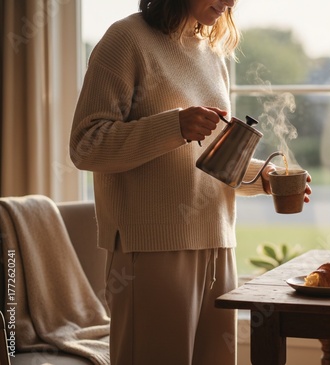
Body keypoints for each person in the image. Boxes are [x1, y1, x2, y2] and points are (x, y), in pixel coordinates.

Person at [69, 1, 311, 364]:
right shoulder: (125, 40)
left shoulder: (210, 52)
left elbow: (212, 156)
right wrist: (175, 126)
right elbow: (86, 146)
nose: (230, 2)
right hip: (151, 250)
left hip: (218, 247)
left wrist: (261, 175)